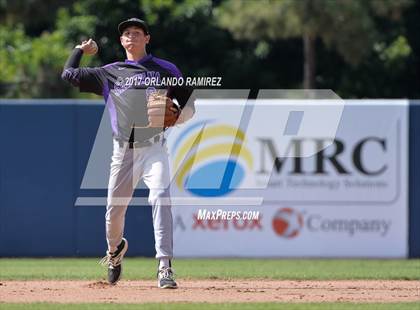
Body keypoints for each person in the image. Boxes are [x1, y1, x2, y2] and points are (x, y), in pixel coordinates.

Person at [62, 18, 195, 288]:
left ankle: (165, 266)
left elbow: (190, 105)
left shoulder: (165, 70)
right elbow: (68, 74)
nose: (130, 36)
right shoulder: (109, 72)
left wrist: (177, 115)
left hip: (154, 147)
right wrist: (79, 49)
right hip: (122, 152)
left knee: (160, 197)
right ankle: (114, 252)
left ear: (147, 38)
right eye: (126, 34)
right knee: (114, 212)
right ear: (121, 42)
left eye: (136, 32)